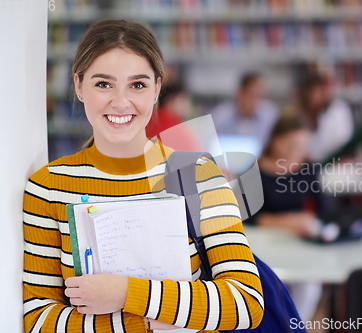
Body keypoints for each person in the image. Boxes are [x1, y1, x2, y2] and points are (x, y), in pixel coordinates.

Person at [23, 20, 263, 332]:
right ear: (79, 86)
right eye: (103, 84)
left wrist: (125, 293)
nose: (121, 102)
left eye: (137, 85)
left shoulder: (201, 176)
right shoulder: (48, 188)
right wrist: (153, 318)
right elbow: (38, 319)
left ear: (156, 89)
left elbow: (245, 303)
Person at [245, 113, 334, 322]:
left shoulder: (308, 169)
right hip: (264, 245)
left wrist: (309, 222)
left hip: (300, 244)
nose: (297, 152)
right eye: (291, 145)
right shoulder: (254, 171)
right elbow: (247, 217)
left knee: (309, 287)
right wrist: (288, 222)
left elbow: (325, 210)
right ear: (275, 140)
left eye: (302, 146)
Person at [209, 72, 279, 156]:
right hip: (227, 162)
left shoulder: (270, 115)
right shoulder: (220, 116)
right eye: (251, 94)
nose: (255, 100)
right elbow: (210, 145)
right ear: (239, 93)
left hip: (261, 163)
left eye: (260, 96)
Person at [298, 72, 354, 163]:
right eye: (311, 93)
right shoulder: (301, 113)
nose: (315, 97)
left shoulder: (337, 109)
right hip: (308, 163)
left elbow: (343, 140)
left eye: (319, 92)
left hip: (335, 162)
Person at [145, 81, 203, 151]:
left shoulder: (147, 120)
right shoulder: (172, 126)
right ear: (171, 100)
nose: (187, 104)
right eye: (183, 99)